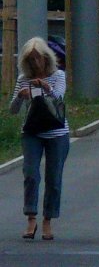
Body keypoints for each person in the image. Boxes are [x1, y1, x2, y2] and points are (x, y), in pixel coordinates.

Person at [8, 37, 71, 241]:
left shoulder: (58, 75)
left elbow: (59, 97)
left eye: (38, 59)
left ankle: (48, 221)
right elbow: (13, 110)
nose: (35, 64)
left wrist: (45, 87)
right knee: (31, 173)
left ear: (46, 58)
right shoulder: (23, 79)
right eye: (30, 60)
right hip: (32, 131)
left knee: (54, 178)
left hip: (56, 133)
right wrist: (21, 96)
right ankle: (31, 217)